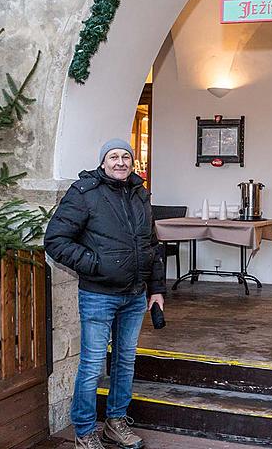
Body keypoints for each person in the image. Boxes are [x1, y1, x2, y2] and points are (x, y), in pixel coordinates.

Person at [45, 139, 165, 449]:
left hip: (135, 296)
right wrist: (95, 265)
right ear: (103, 162)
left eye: (126, 156)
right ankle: (85, 432)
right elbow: (56, 240)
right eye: (114, 156)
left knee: (125, 362)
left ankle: (115, 423)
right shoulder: (84, 193)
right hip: (99, 295)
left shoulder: (140, 194)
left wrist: (157, 288)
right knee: (92, 365)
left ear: (132, 162)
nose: (121, 162)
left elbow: (151, 245)